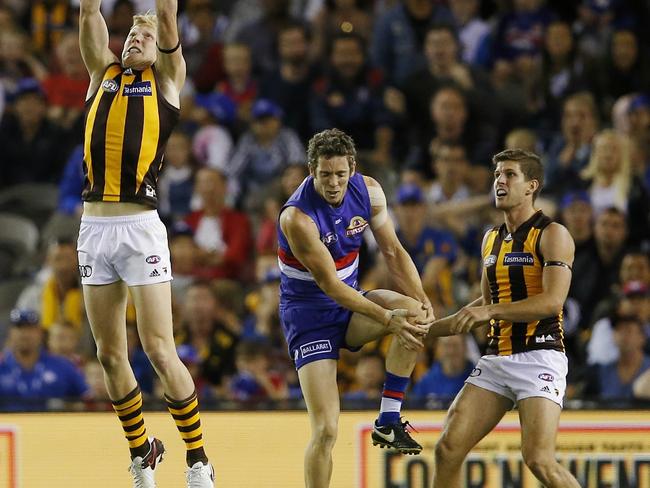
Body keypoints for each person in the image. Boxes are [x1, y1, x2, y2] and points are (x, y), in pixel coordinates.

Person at [77, 1, 215, 486]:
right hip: (94, 229)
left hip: (140, 227)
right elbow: (89, 17)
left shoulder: (168, 83)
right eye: (131, 34)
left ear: (162, 50)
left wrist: (159, 16)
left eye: (145, 36)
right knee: (109, 354)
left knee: (159, 349)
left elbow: (169, 19)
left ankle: (198, 459)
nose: (135, 39)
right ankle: (143, 452)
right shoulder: (102, 73)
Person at [277, 128, 434, 487]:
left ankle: (388, 420)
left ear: (352, 169)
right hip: (309, 317)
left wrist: (423, 300)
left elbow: (393, 251)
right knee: (327, 429)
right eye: (325, 175)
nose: (333, 183)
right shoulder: (296, 218)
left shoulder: (370, 191)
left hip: (351, 301)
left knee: (414, 315)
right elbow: (329, 285)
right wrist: (384, 318)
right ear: (311, 171)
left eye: (340, 174)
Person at [429, 148, 580, 488]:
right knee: (447, 449)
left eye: (510, 174)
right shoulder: (491, 238)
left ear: (531, 186)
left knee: (539, 460)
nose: (499, 180)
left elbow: (551, 301)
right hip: (498, 358)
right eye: (497, 174)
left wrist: (489, 310)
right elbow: (484, 303)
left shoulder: (553, 234)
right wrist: (423, 330)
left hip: (540, 354)